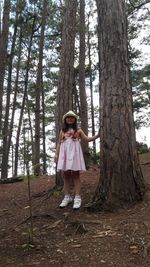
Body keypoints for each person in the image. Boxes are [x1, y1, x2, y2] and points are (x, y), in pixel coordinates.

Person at [54, 110, 100, 209]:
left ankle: (77, 197)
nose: (70, 119)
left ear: (75, 120)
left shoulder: (78, 130)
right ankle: (67, 197)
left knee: (75, 175)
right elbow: (59, 143)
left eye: (72, 117)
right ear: (65, 119)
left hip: (74, 155)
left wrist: (97, 135)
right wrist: (56, 154)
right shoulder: (62, 131)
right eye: (68, 117)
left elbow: (87, 139)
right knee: (66, 175)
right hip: (65, 155)